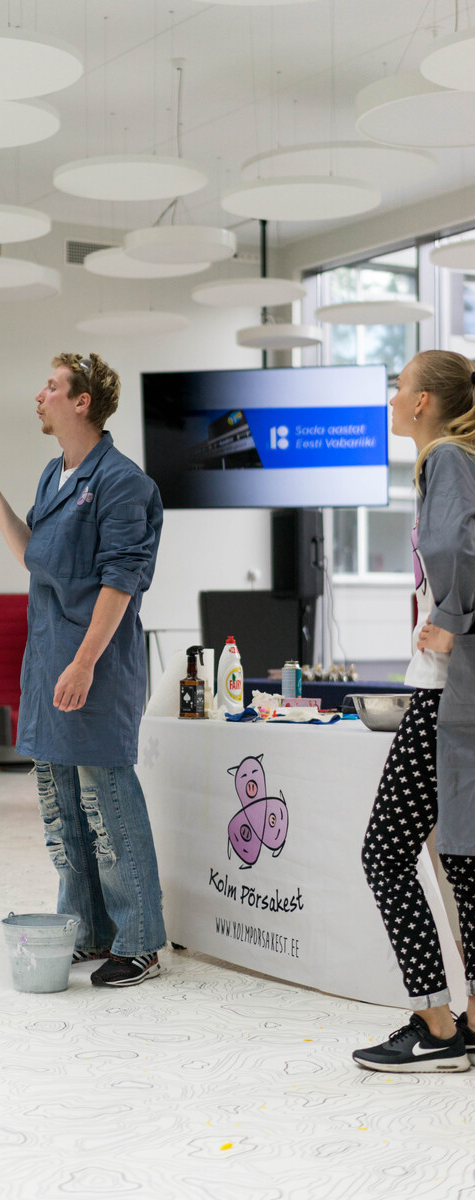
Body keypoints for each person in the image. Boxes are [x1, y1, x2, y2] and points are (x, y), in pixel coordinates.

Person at [0, 353, 166, 987]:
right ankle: (88, 928)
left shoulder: (124, 483)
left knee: (108, 799)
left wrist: (82, 663)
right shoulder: (55, 475)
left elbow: (120, 582)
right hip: (49, 659)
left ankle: (139, 941)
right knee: (62, 803)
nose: (38, 395)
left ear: (82, 402)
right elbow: (35, 557)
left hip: (92, 665)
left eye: (51, 386)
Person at [353, 350, 475, 1072]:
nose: (393, 398)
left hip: (442, 690)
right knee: (462, 857)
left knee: (386, 851)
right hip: (455, 689)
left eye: (399, 387)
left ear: (424, 400)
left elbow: (457, 545)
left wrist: (452, 620)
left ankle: (435, 1024)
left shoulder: (445, 460)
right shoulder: (459, 458)